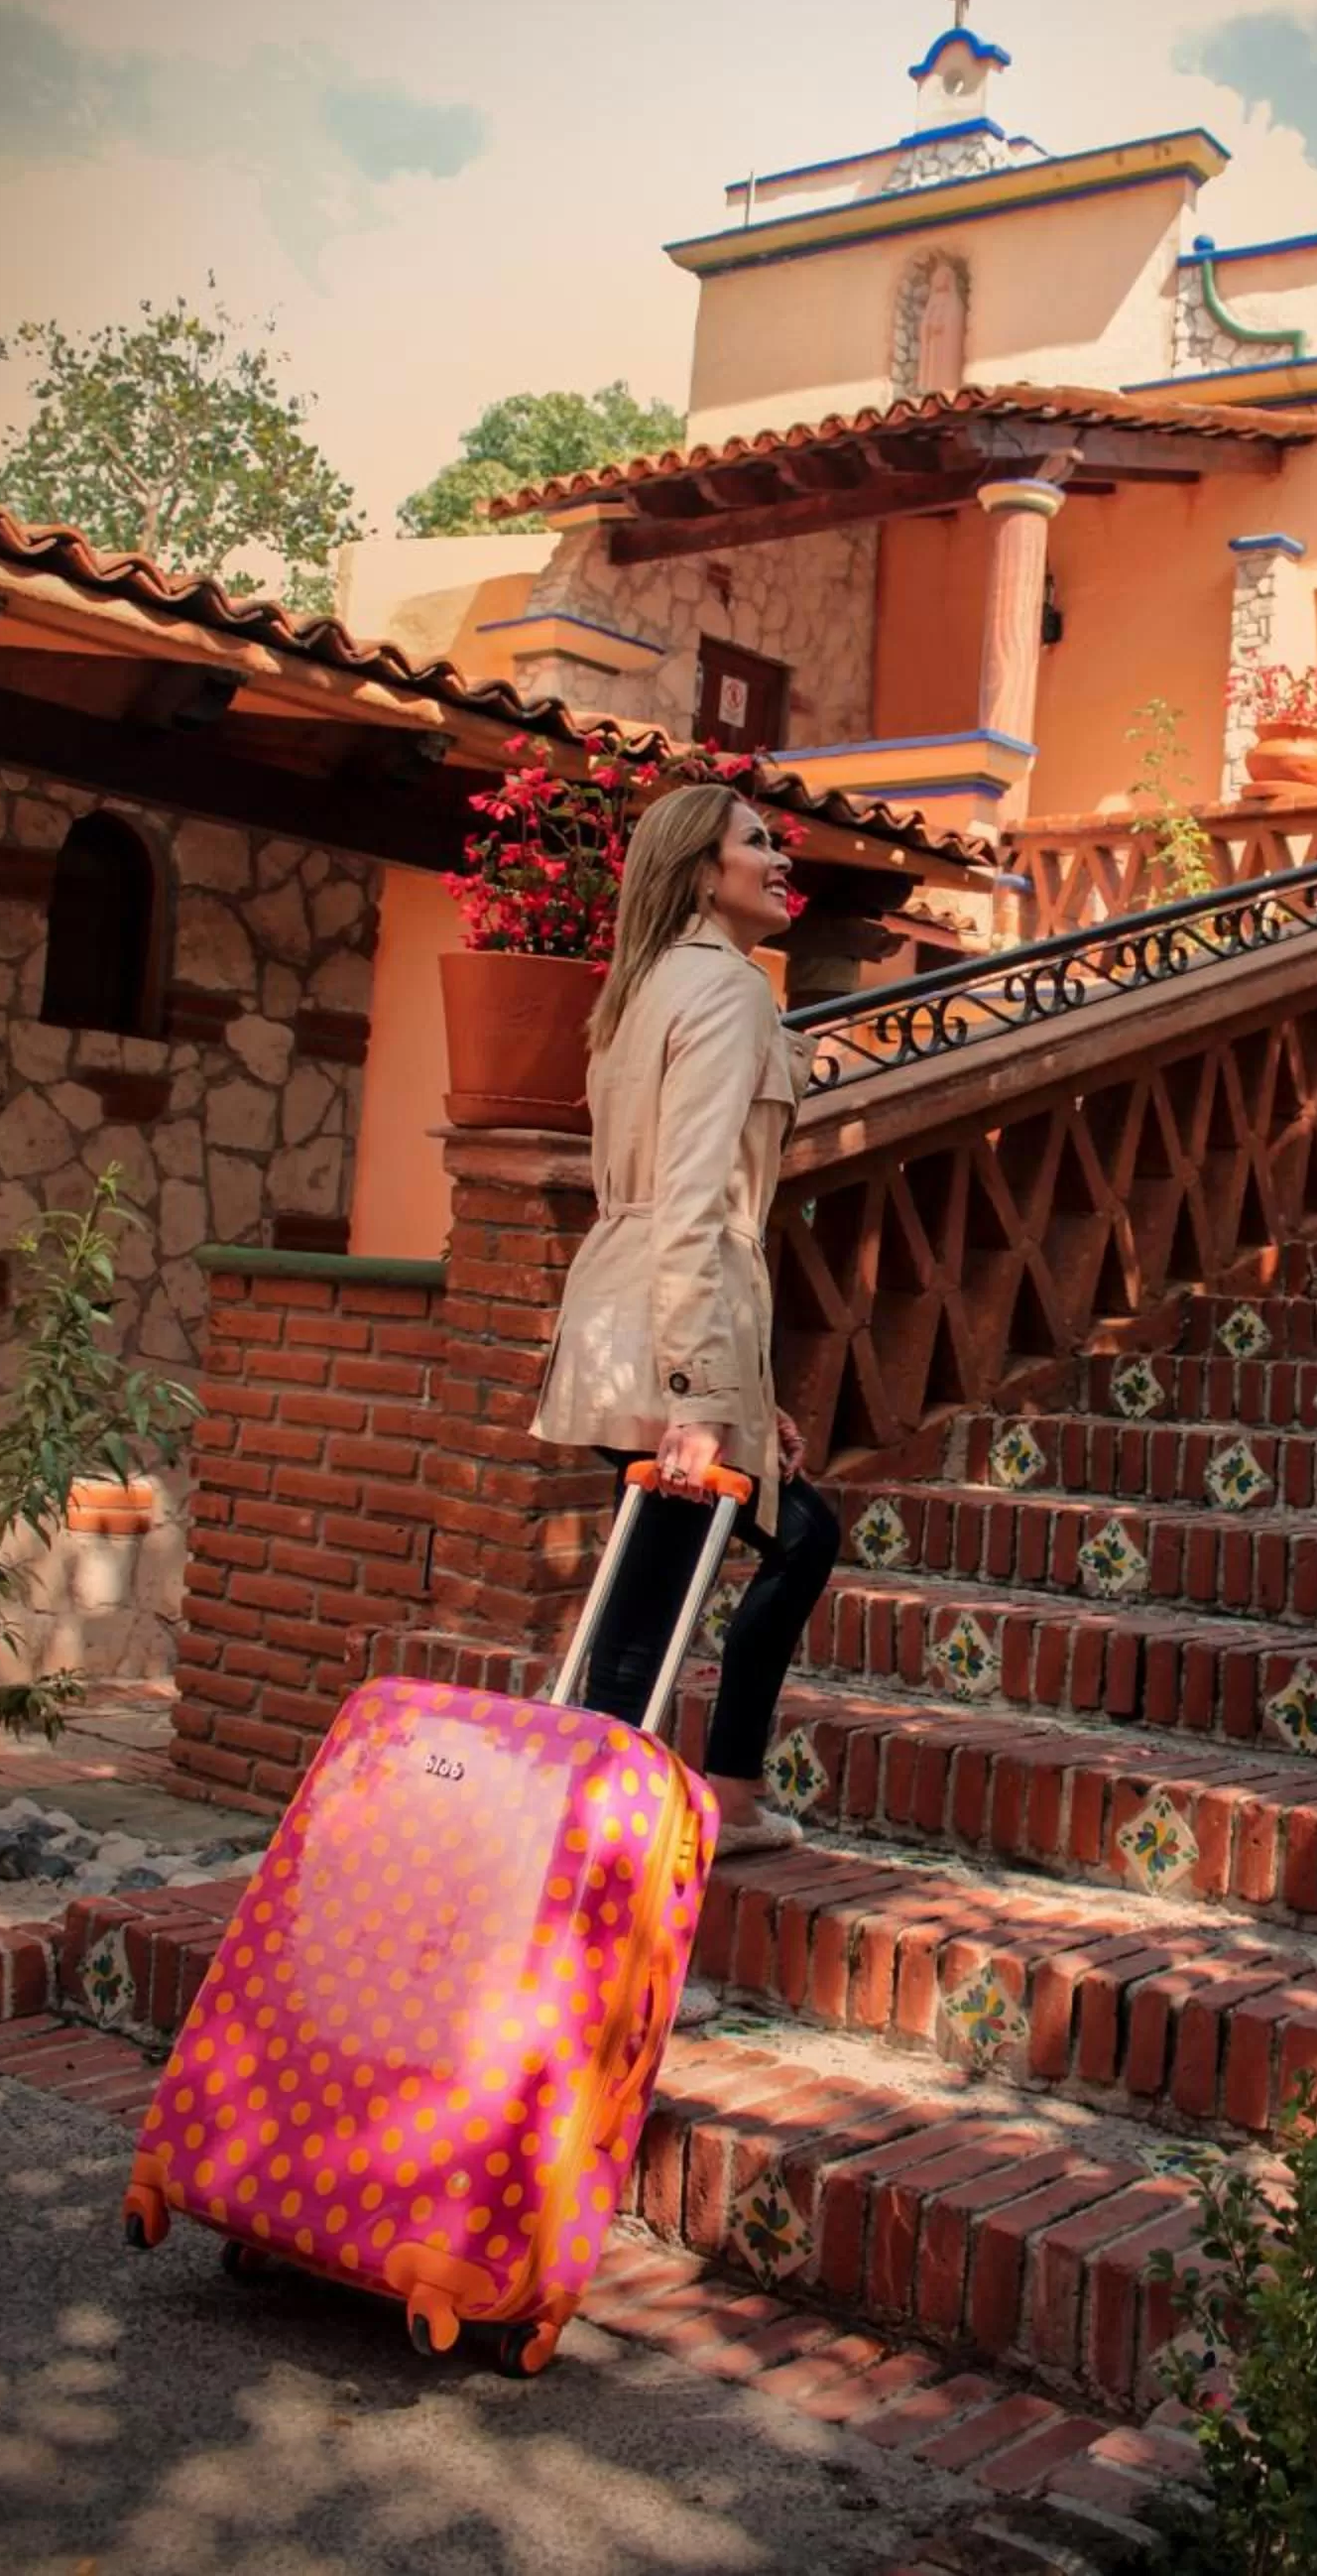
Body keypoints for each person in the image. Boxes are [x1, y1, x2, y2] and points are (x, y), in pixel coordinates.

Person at [534, 783, 840, 1934]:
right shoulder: (718, 989)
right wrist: (700, 1397)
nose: (776, 856)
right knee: (647, 1615)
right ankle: (596, 1900)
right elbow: (702, 1205)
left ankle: (724, 1794)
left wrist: (743, 1399)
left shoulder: (647, 987)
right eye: (753, 842)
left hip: (642, 1317)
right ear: (701, 871)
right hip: (670, 1321)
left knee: (790, 1532)